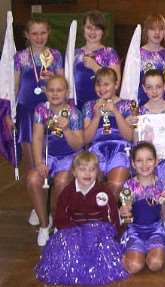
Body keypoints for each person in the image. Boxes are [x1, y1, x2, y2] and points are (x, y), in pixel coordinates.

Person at [35, 151, 128, 286]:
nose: (87, 173)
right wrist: (74, 231)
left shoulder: (103, 192)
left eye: (92, 169)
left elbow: (112, 217)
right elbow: (60, 216)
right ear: (74, 171)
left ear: (97, 172)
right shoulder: (68, 192)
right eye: (82, 169)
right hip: (74, 232)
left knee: (102, 249)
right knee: (68, 248)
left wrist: (113, 234)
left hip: (97, 234)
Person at [27, 75, 84, 246]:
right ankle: (45, 224)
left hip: (69, 157)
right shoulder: (41, 110)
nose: (55, 94)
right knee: (32, 179)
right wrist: (38, 162)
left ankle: (61, 222)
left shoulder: (74, 113)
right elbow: (37, 138)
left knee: (61, 181)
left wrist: (66, 129)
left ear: (66, 92)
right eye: (51, 90)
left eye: (59, 90)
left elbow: (78, 144)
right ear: (46, 92)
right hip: (48, 157)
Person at [8, 19, 64, 177]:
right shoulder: (20, 57)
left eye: (43, 33)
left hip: (50, 110)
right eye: (34, 33)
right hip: (26, 112)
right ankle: (37, 193)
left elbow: (63, 84)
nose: (39, 37)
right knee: (33, 166)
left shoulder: (55, 55)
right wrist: (10, 113)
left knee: (51, 154)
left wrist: (53, 77)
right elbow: (15, 86)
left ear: (49, 33)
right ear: (27, 35)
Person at [120, 142, 165, 274]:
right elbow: (126, 219)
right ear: (133, 163)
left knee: (155, 264)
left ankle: (149, 252)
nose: (144, 165)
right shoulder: (128, 186)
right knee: (134, 266)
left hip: (156, 231)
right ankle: (131, 253)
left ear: (156, 161)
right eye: (139, 160)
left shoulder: (162, 184)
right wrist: (122, 212)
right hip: (134, 232)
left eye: (149, 160)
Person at [83, 67, 133, 197]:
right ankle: (103, 213)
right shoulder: (89, 105)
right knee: (93, 187)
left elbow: (130, 136)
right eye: (98, 84)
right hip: (96, 151)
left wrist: (116, 112)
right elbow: (86, 139)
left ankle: (106, 213)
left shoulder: (127, 104)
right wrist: (96, 116)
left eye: (106, 84)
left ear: (116, 85)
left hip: (120, 150)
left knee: (116, 184)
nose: (102, 88)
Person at [74, 10, 121, 110]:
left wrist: (95, 67)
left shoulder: (110, 53)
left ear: (103, 31)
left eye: (97, 28)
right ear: (83, 29)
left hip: (101, 106)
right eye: (89, 28)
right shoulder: (75, 54)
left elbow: (116, 84)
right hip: (77, 106)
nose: (92, 32)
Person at [138, 14, 165, 105]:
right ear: (146, 31)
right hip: (144, 101)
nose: (157, 32)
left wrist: (163, 85)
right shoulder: (137, 54)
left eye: (161, 29)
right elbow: (130, 85)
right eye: (153, 29)